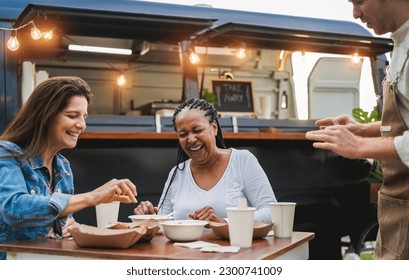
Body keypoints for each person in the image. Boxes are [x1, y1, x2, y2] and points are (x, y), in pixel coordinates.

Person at [306, 0, 409, 260]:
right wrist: (362, 129)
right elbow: (401, 123)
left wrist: (360, 147)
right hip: (398, 208)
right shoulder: (400, 42)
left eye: (359, 1)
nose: (355, 13)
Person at [0, 76, 137, 260]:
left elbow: (63, 224)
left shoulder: (63, 167)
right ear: (45, 115)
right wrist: (93, 197)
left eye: (84, 116)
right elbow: (14, 209)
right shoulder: (7, 155)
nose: (82, 125)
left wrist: (71, 229)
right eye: (72, 116)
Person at [134, 97, 277, 224]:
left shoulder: (242, 161)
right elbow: (163, 222)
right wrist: (149, 218)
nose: (191, 139)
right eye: (183, 134)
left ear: (214, 128)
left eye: (197, 130)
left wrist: (224, 223)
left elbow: (271, 212)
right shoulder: (176, 173)